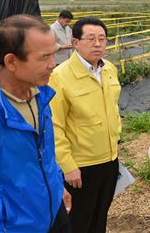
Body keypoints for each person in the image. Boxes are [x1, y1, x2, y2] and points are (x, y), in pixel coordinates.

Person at [0, 14, 71, 232]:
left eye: (54, 53)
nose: (53, 64)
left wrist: (57, 186)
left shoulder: (41, 94)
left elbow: (44, 153)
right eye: (43, 57)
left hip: (53, 214)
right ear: (11, 61)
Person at [49, 16, 121, 233]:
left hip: (109, 160)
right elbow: (54, 125)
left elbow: (114, 110)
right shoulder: (60, 77)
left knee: (100, 217)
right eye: (90, 39)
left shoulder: (109, 69)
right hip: (80, 167)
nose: (97, 44)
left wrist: (116, 141)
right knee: (79, 221)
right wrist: (67, 165)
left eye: (102, 39)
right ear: (75, 42)